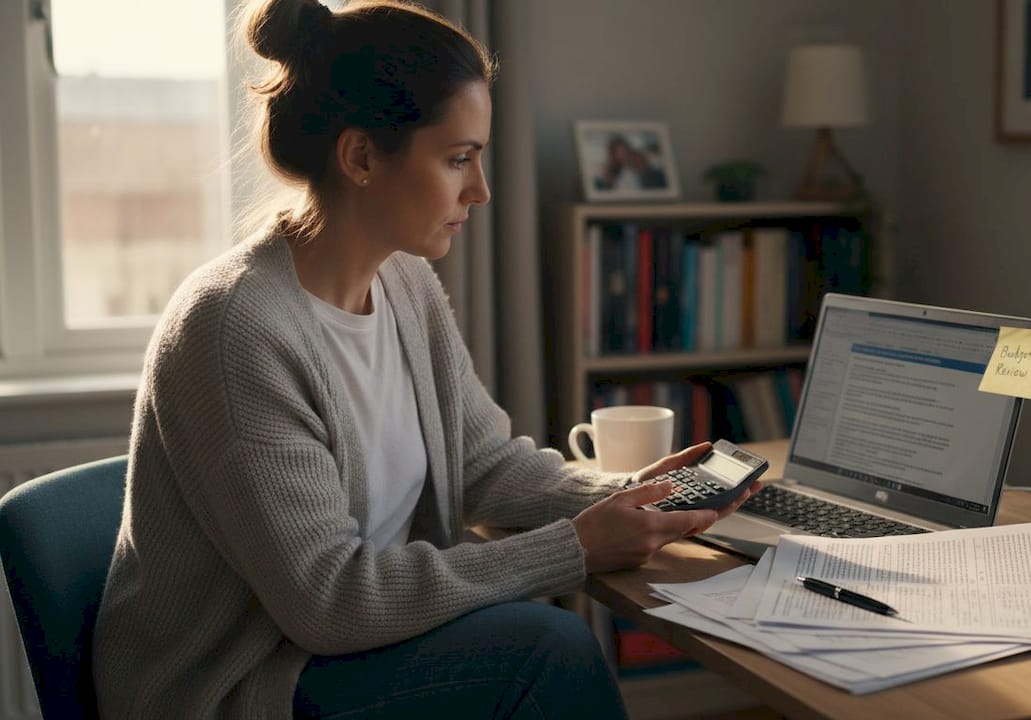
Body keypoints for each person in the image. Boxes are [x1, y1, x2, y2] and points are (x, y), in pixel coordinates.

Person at [89, 1, 758, 718]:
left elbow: (485, 464)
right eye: (458, 159)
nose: (481, 190)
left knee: (541, 645)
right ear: (361, 157)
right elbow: (329, 602)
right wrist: (573, 548)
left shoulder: (404, 282)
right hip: (244, 683)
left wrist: (621, 495)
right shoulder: (234, 329)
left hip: (342, 651)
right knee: (545, 651)